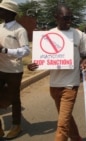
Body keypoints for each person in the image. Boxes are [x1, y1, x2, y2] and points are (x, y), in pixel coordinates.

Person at [27, 3, 86, 141]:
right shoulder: (48, 36)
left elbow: (85, 56)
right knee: (65, 117)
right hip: (54, 85)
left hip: (70, 85)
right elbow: (42, 59)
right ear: (56, 17)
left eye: (71, 18)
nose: (69, 21)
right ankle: (76, 137)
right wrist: (33, 66)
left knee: (61, 125)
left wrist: (84, 64)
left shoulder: (78, 35)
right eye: (66, 18)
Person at [0, 0, 30, 139]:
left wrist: (6, 50)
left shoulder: (20, 30)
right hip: (0, 68)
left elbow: (25, 51)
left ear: (10, 13)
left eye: (2, 10)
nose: (0, 12)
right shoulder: (0, 27)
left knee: (14, 98)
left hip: (14, 71)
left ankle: (16, 125)